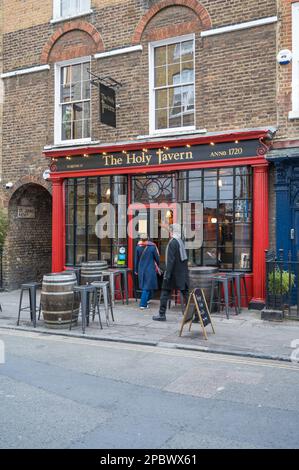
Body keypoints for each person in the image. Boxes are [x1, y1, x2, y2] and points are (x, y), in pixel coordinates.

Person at [153, 224, 189, 321]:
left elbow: (170, 261)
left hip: (173, 274)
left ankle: (161, 314)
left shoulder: (173, 242)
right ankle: (197, 315)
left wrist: (167, 275)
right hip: (182, 273)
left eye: (170, 230)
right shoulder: (180, 242)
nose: (169, 232)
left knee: (164, 293)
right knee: (187, 294)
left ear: (172, 231)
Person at [134, 234, 160, 310]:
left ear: (141, 239)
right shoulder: (152, 247)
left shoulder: (138, 247)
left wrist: (136, 270)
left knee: (147, 285)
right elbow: (157, 258)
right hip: (150, 269)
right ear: (148, 239)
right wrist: (157, 265)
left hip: (141, 269)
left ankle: (147, 300)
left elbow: (136, 260)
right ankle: (143, 304)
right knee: (146, 287)